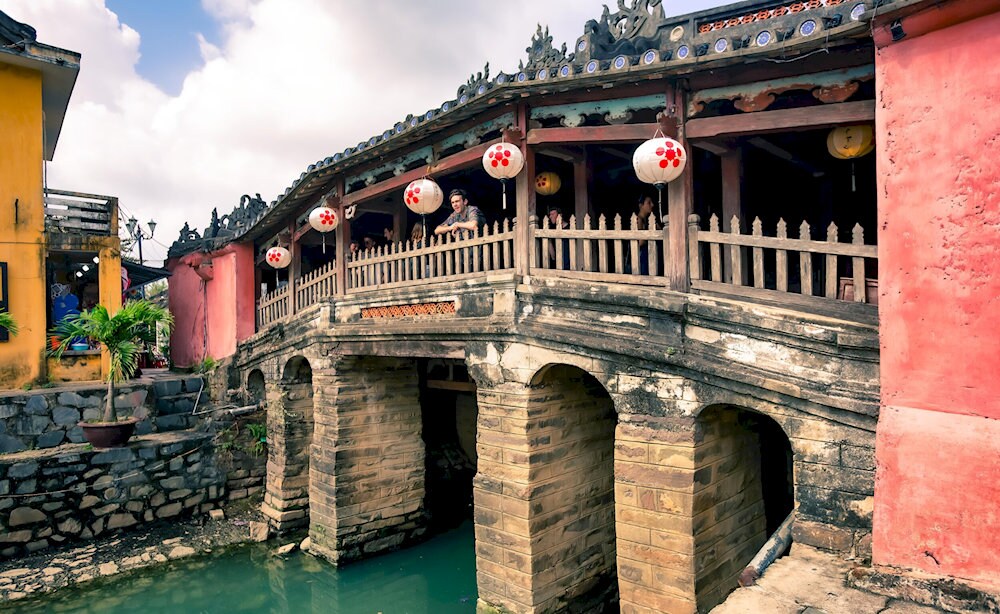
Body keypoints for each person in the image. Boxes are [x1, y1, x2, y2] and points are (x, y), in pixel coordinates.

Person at [635, 194, 654, 275]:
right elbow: (641, 242)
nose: (652, 205)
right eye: (649, 203)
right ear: (641, 205)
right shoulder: (639, 220)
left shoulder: (647, 220)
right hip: (640, 256)